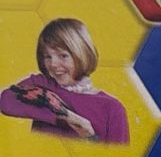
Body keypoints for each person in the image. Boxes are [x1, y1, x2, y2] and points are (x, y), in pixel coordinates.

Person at [0, 18, 129, 143]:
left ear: (82, 54)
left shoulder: (112, 108)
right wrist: (66, 115)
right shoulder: (42, 83)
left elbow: (118, 155)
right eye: (48, 56)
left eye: (63, 56)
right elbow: (5, 100)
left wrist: (90, 137)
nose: (53, 64)